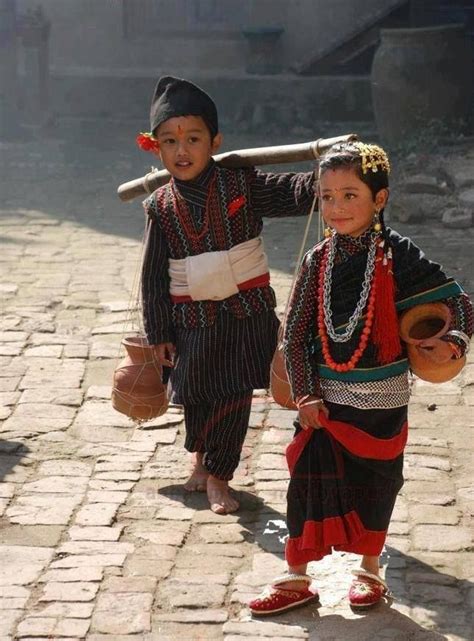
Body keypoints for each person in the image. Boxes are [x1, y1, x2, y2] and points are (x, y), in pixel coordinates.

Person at [249, 141, 473, 614]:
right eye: (327, 197)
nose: (337, 207)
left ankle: (369, 570)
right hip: (324, 403)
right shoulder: (317, 261)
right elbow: (299, 334)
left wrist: (452, 339)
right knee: (306, 483)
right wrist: (306, 393)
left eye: (350, 194)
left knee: (377, 484)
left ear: (380, 199)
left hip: (383, 401)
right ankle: (296, 576)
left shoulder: (399, 256)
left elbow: (462, 304)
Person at [138, 76, 316, 515]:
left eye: (193, 139)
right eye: (170, 142)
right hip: (190, 319)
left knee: (232, 394)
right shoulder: (159, 206)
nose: (182, 151)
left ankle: (220, 475)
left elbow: (293, 192)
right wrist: (158, 330)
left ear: (214, 140)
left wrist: (327, 178)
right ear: (154, 148)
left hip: (244, 313)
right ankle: (200, 460)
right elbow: (152, 275)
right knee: (195, 392)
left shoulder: (242, 185)